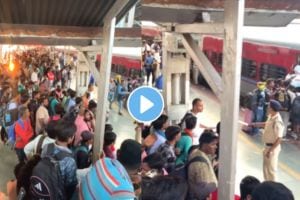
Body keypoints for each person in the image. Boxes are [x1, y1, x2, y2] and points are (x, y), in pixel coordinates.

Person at [40, 119, 78, 199]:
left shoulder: (46, 147)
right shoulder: (70, 160)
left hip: (45, 186)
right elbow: (70, 185)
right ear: (70, 139)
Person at [251, 100, 284, 181]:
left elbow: (279, 138)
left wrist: (270, 151)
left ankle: (272, 187)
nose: (267, 108)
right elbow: (266, 124)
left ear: (272, 109)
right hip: (267, 147)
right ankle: (266, 184)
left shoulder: (277, 121)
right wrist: (256, 124)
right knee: (265, 168)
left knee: (271, 171)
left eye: (269, 107)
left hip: (272, 148)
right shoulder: (271, 116)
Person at [187, 131, 218, 200]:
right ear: (204, 145)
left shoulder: (196, 151)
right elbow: (204, 189)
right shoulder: (201, 165)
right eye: (213, 144)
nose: (216, 147)